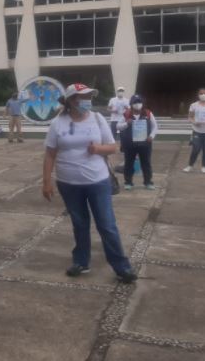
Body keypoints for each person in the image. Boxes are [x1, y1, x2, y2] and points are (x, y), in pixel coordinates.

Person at [42, 83, 137, 284]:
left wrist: (98, 149)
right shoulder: (57, 123)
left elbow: (112, 147)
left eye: (88, 96)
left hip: (97, 181)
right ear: (70, 101)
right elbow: (50, 154)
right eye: (81, 97)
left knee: (107, 225)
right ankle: (81, 261)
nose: (86, 101)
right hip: (68, 183)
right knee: (80, 224)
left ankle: (122, 267)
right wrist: (46, 182)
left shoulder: (97, 118)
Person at [117, 95, 157, 190]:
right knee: (129, 163)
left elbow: (155, 126)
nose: (137, 104)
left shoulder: (148, 113)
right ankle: (128, 182)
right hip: (130, 144)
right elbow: (118, 126)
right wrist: (127, 123)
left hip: (145, 143)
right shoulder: (126, 114)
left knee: (146, 163)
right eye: (135, 102)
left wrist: (151, 136)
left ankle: (148, 182)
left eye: (139, 102)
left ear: (142, 103)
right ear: (131, 104)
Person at [183, 88, 205, 173]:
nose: (203, 95)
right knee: (196, 149)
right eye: (201, 93)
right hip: (197, 131)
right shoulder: (194, 105)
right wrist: (194, 122)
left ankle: (204, 167)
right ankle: (190, 166)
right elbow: (190, 117)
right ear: (198, 95)